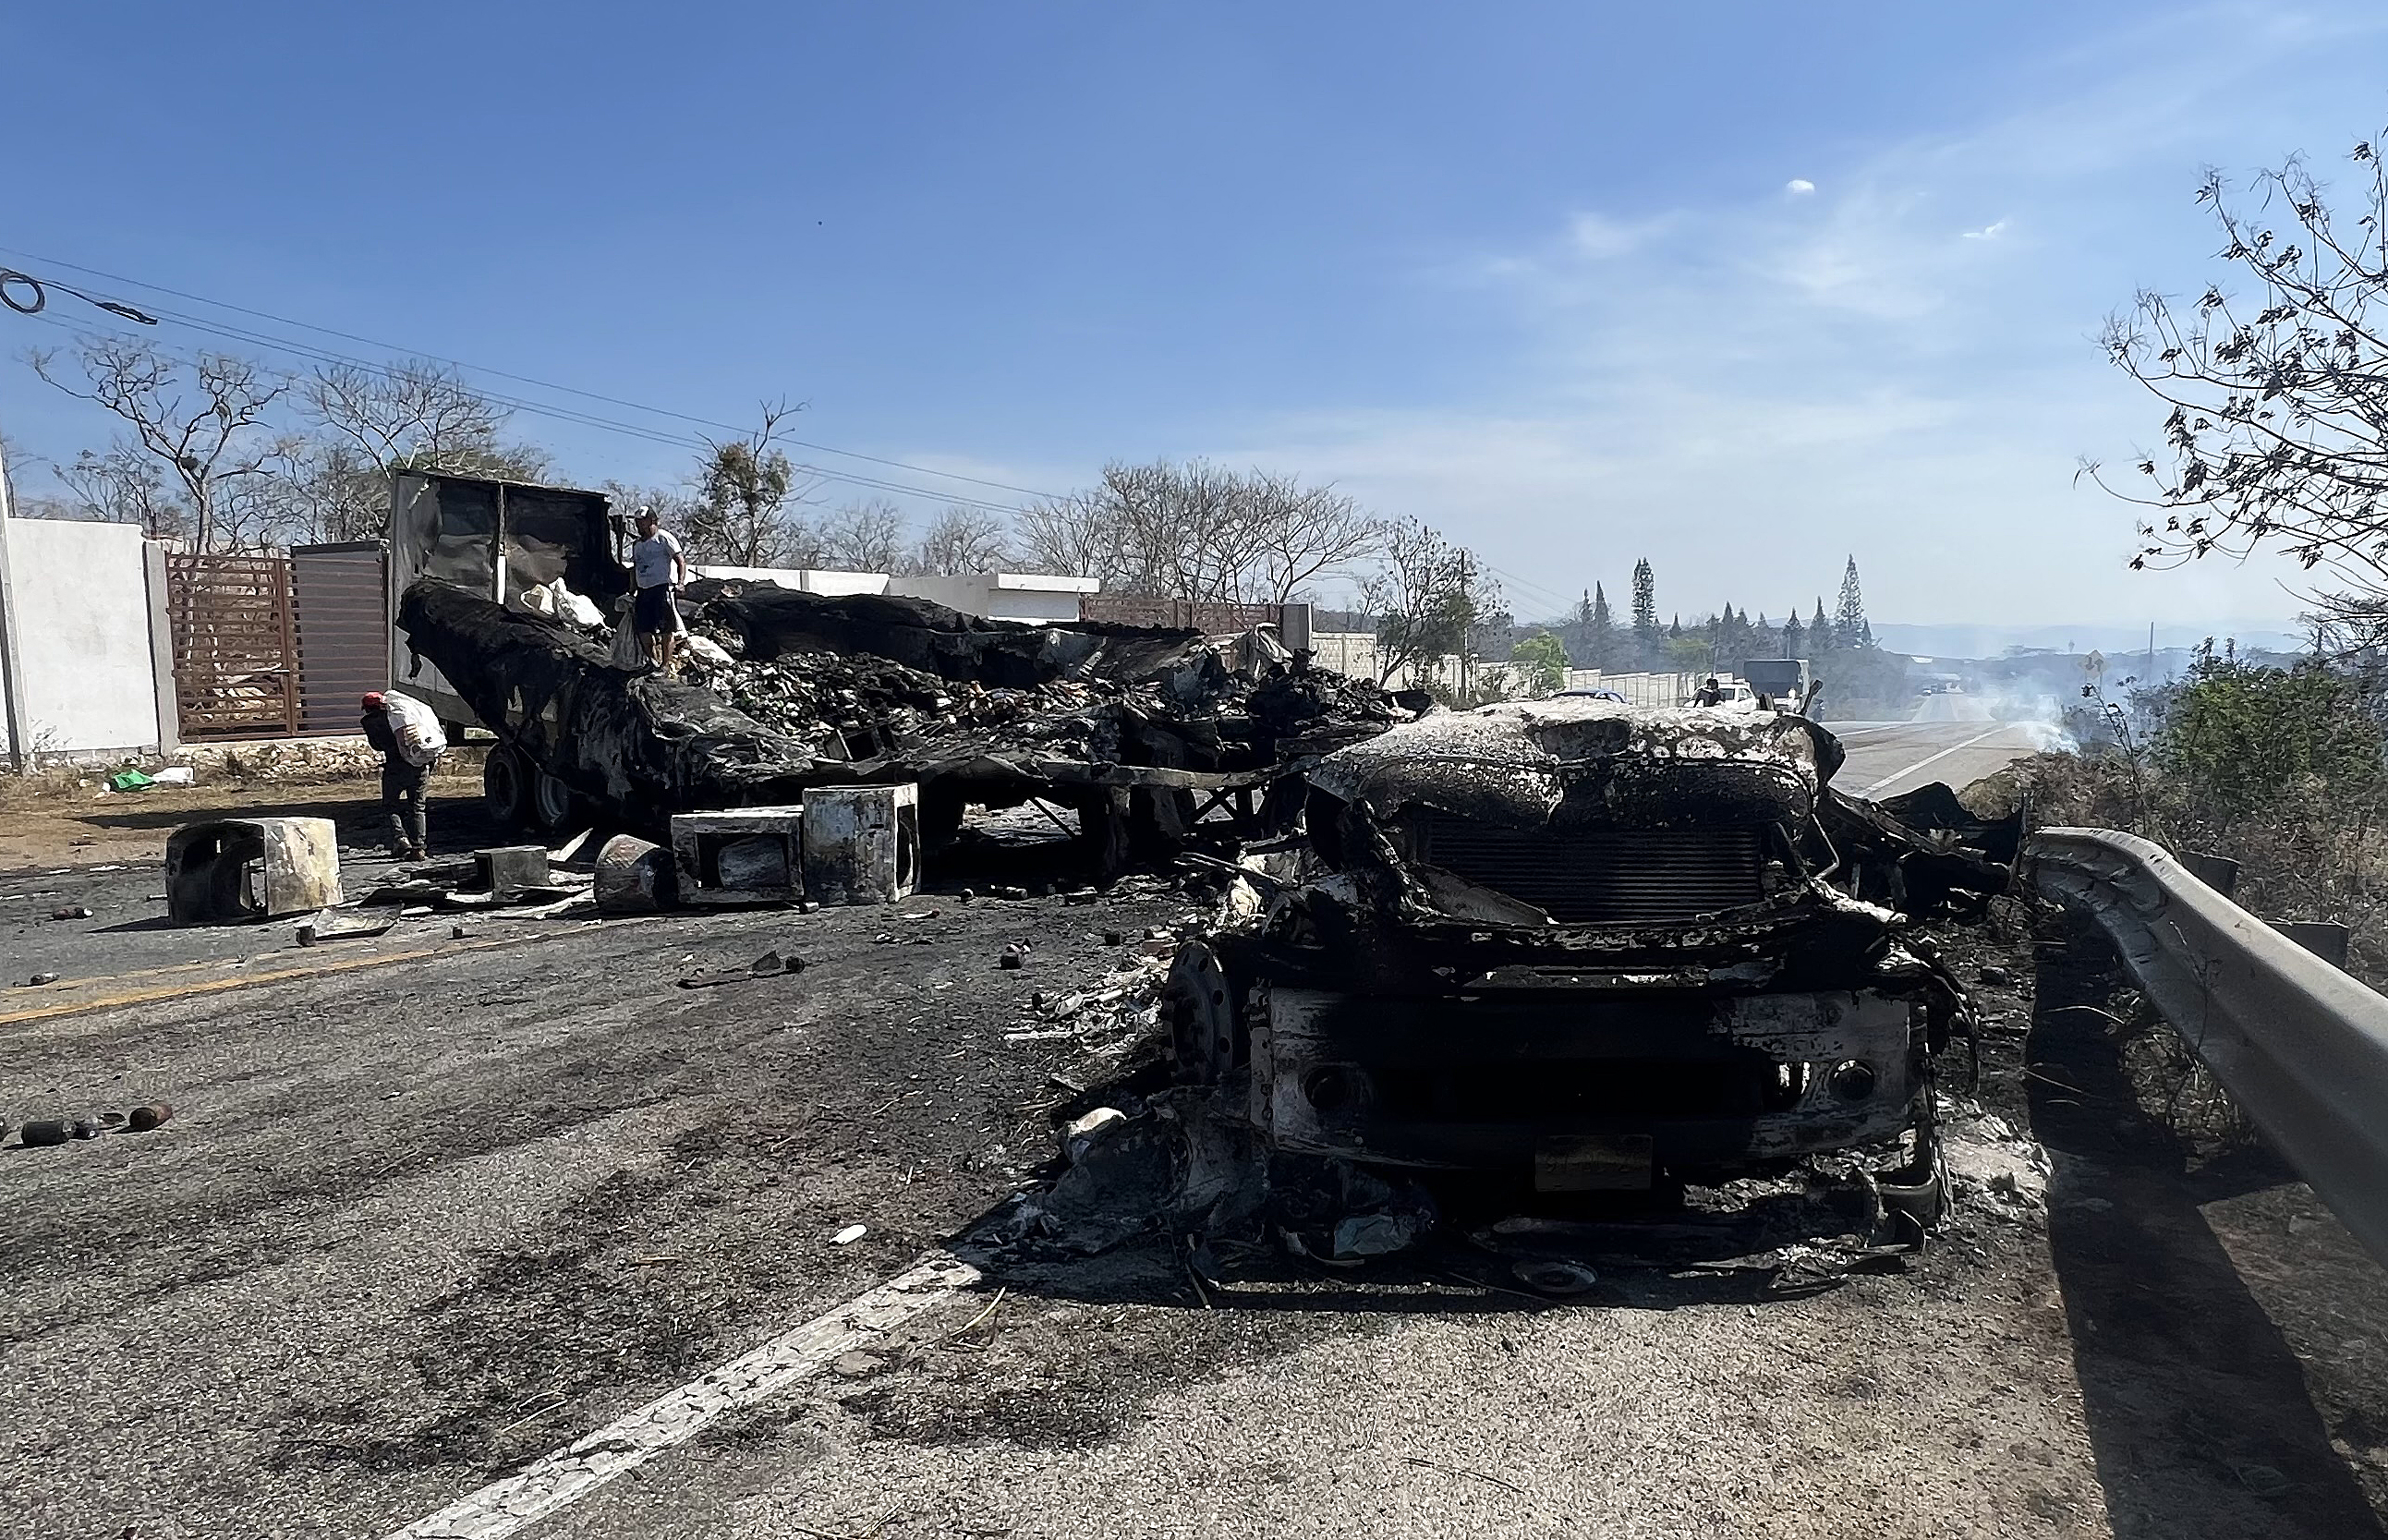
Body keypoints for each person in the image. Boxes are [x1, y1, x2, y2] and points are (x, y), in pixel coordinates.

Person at [360, 691, 442, 859]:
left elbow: (376, 746)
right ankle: (419, 847)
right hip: (417, 765)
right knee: (417, 807)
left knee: (391, 805)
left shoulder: (370, 723)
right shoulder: (402, 714)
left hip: (394, 767)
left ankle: (401, 839)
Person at [630, 505, 689, 673]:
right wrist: (631, 591)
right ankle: (652, 661)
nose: (640, 525)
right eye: (638, 522)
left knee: (666, 628)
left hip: (661, 588)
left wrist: (681, 582)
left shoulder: (664, 538)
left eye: (643, 521)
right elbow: (635, 569)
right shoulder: (637, 545)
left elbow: (680, 560)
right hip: (643, 590)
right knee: (643, 628)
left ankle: (665, 665)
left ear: (652, 520)